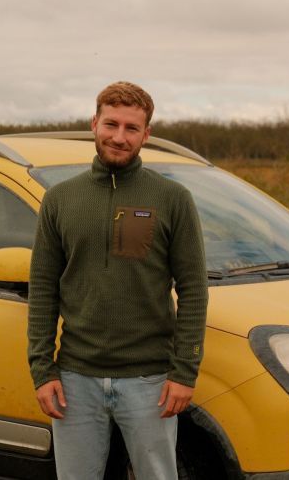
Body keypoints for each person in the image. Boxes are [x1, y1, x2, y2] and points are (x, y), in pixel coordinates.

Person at [27, 81, 208, 479]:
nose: (119, 137)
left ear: (147, 134)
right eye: (111, 124)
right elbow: (42, 288)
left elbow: (194, 289)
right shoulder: (60, 200)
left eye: (131, 128)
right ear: (94, 123)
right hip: (75, 380)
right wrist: (42, 370)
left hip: (151, 382)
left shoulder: (172, 199)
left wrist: (184, 373)